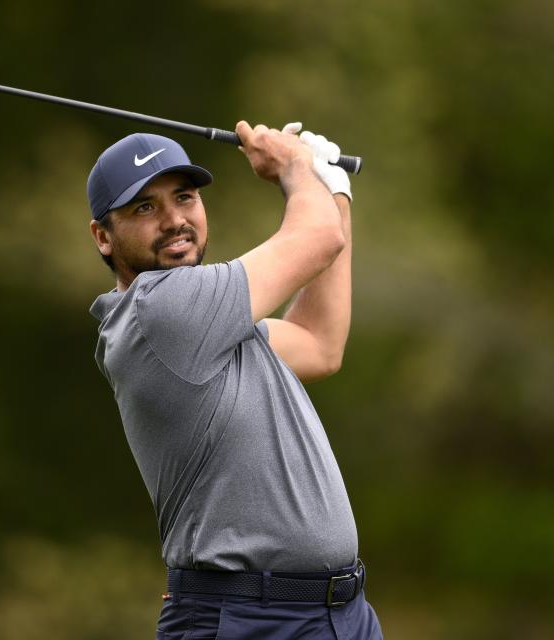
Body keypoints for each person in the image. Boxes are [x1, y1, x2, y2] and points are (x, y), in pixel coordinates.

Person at [86, 121, 383, 639]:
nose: (175, 220)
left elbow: (318, 343)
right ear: (103, 237)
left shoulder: (209, 324)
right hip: (247, 619)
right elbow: (317, 238)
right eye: (145, 208)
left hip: (338, 614)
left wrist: (332, 189)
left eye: (184, 197)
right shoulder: (162, 311)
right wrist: (297, 169)